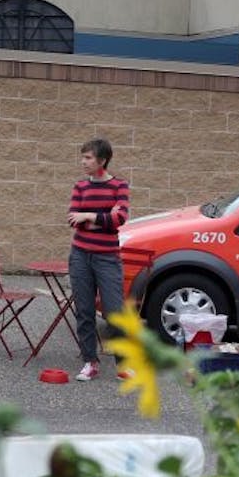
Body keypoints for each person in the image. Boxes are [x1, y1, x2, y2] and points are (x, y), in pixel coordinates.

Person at [67, 137, 130, 382]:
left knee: (115, 312)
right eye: (83, 157)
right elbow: (72, 219)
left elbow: (121, 218)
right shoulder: (80, 186)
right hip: (80, 256)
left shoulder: (119, 186)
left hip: (107, 258)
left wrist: (89, 216)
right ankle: (89, 362)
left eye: (88, 157)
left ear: (102, 160)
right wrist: (101, 217)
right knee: (84, 311)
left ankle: (124, 365)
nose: (83, 162)